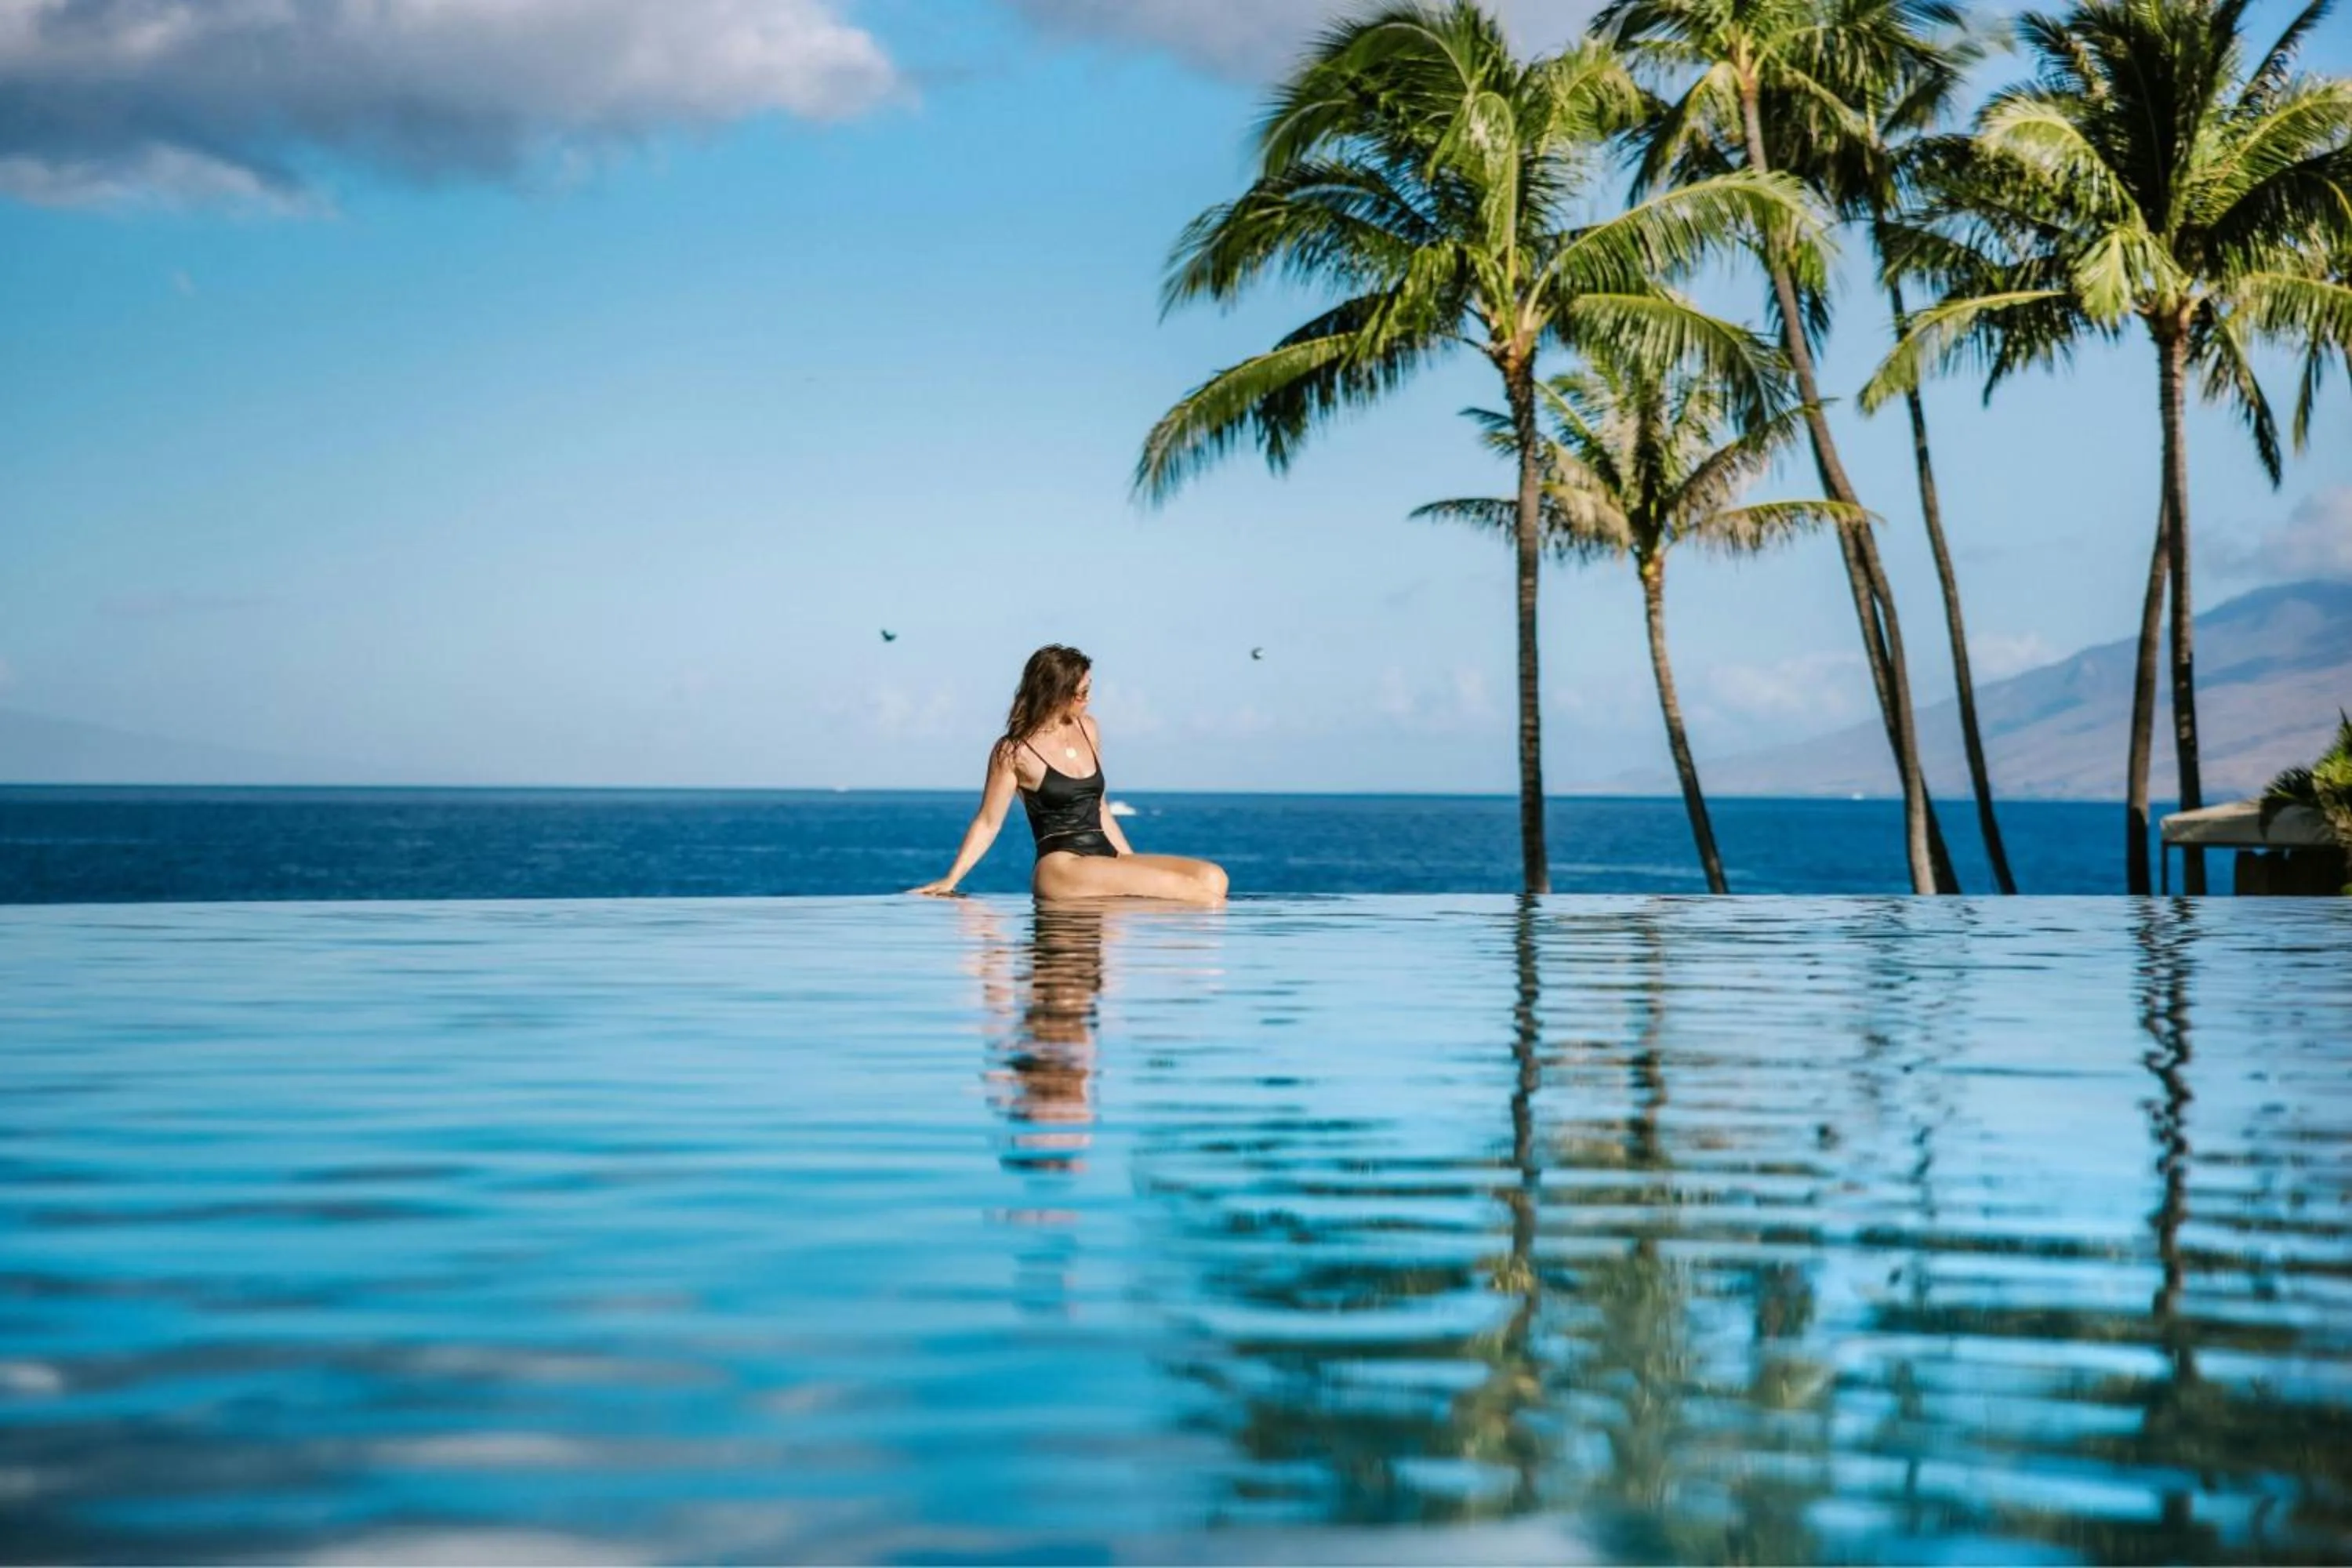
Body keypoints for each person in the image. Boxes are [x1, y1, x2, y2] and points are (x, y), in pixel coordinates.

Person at [909, 644, 1228, 904]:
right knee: (1199, 897)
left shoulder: (1088, 729)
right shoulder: (1014, 751)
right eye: (1082, 692)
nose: (1088, 699)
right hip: (1062, 866)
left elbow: (1100, 806)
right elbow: (989, 822)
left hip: (1104, 854)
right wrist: (952, 879)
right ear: (1057, 694)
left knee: (1213, 879)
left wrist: (1130, 862)